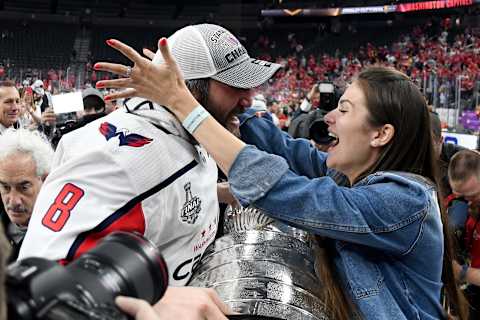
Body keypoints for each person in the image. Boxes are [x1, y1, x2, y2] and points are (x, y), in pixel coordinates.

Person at [94, 38, 467, 319]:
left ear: (380, 135)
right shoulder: (351, 178)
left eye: (344, 109)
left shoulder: (404, 201)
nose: (328, 120)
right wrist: (243, 110)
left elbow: (289, 192)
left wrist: (184, 105)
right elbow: (292, 154)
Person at [18, 24, 280, 292]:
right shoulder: (118, 162)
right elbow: (41, 290)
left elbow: (161, 198)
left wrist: (215, 193)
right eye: (236, 85)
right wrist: (160, 304)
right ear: (189, 91)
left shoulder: (186, 130)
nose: (249, 99)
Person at [0, 128, 53, 262]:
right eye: (5, 187)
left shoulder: (60, 237)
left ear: (45, 180)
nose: (13, 201)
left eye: (23, 187)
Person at [448, 149, 480, 319]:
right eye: (460, 197)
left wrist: (460, 272)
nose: (466, 203)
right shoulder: (457, 202)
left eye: (472, 196)